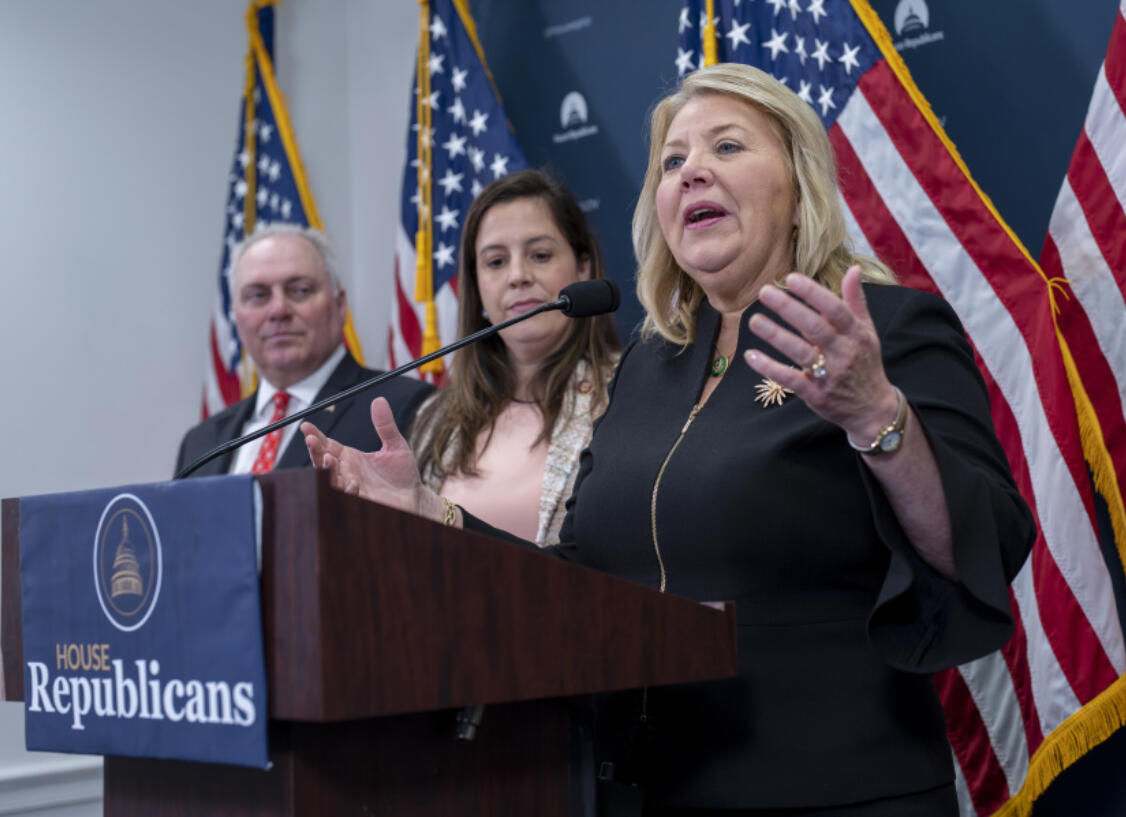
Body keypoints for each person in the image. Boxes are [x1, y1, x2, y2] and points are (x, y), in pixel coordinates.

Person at [303, 64, 1035, 816]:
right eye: (673, 162)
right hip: (652, 789)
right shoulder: (651, 362)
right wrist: (432, 513)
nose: (692, 175)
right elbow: (581, 581)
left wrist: (878, 415)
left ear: (799, 187)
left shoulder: (884, 332)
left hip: (835, 788)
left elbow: (983, 543)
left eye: (726, 147)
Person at [406, 169, 620, 544]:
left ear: (582, 268)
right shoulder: (435, 418)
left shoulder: (627, 391)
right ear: (477, 286)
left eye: (540, 255)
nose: (518, 276)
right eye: (496, 262)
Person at [176, 224, 432, 478]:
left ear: (340, 305)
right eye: (257, 295)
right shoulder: (200, 443)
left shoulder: (407, 409)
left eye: (300, 290)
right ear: (236, 317)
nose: (278, 310)